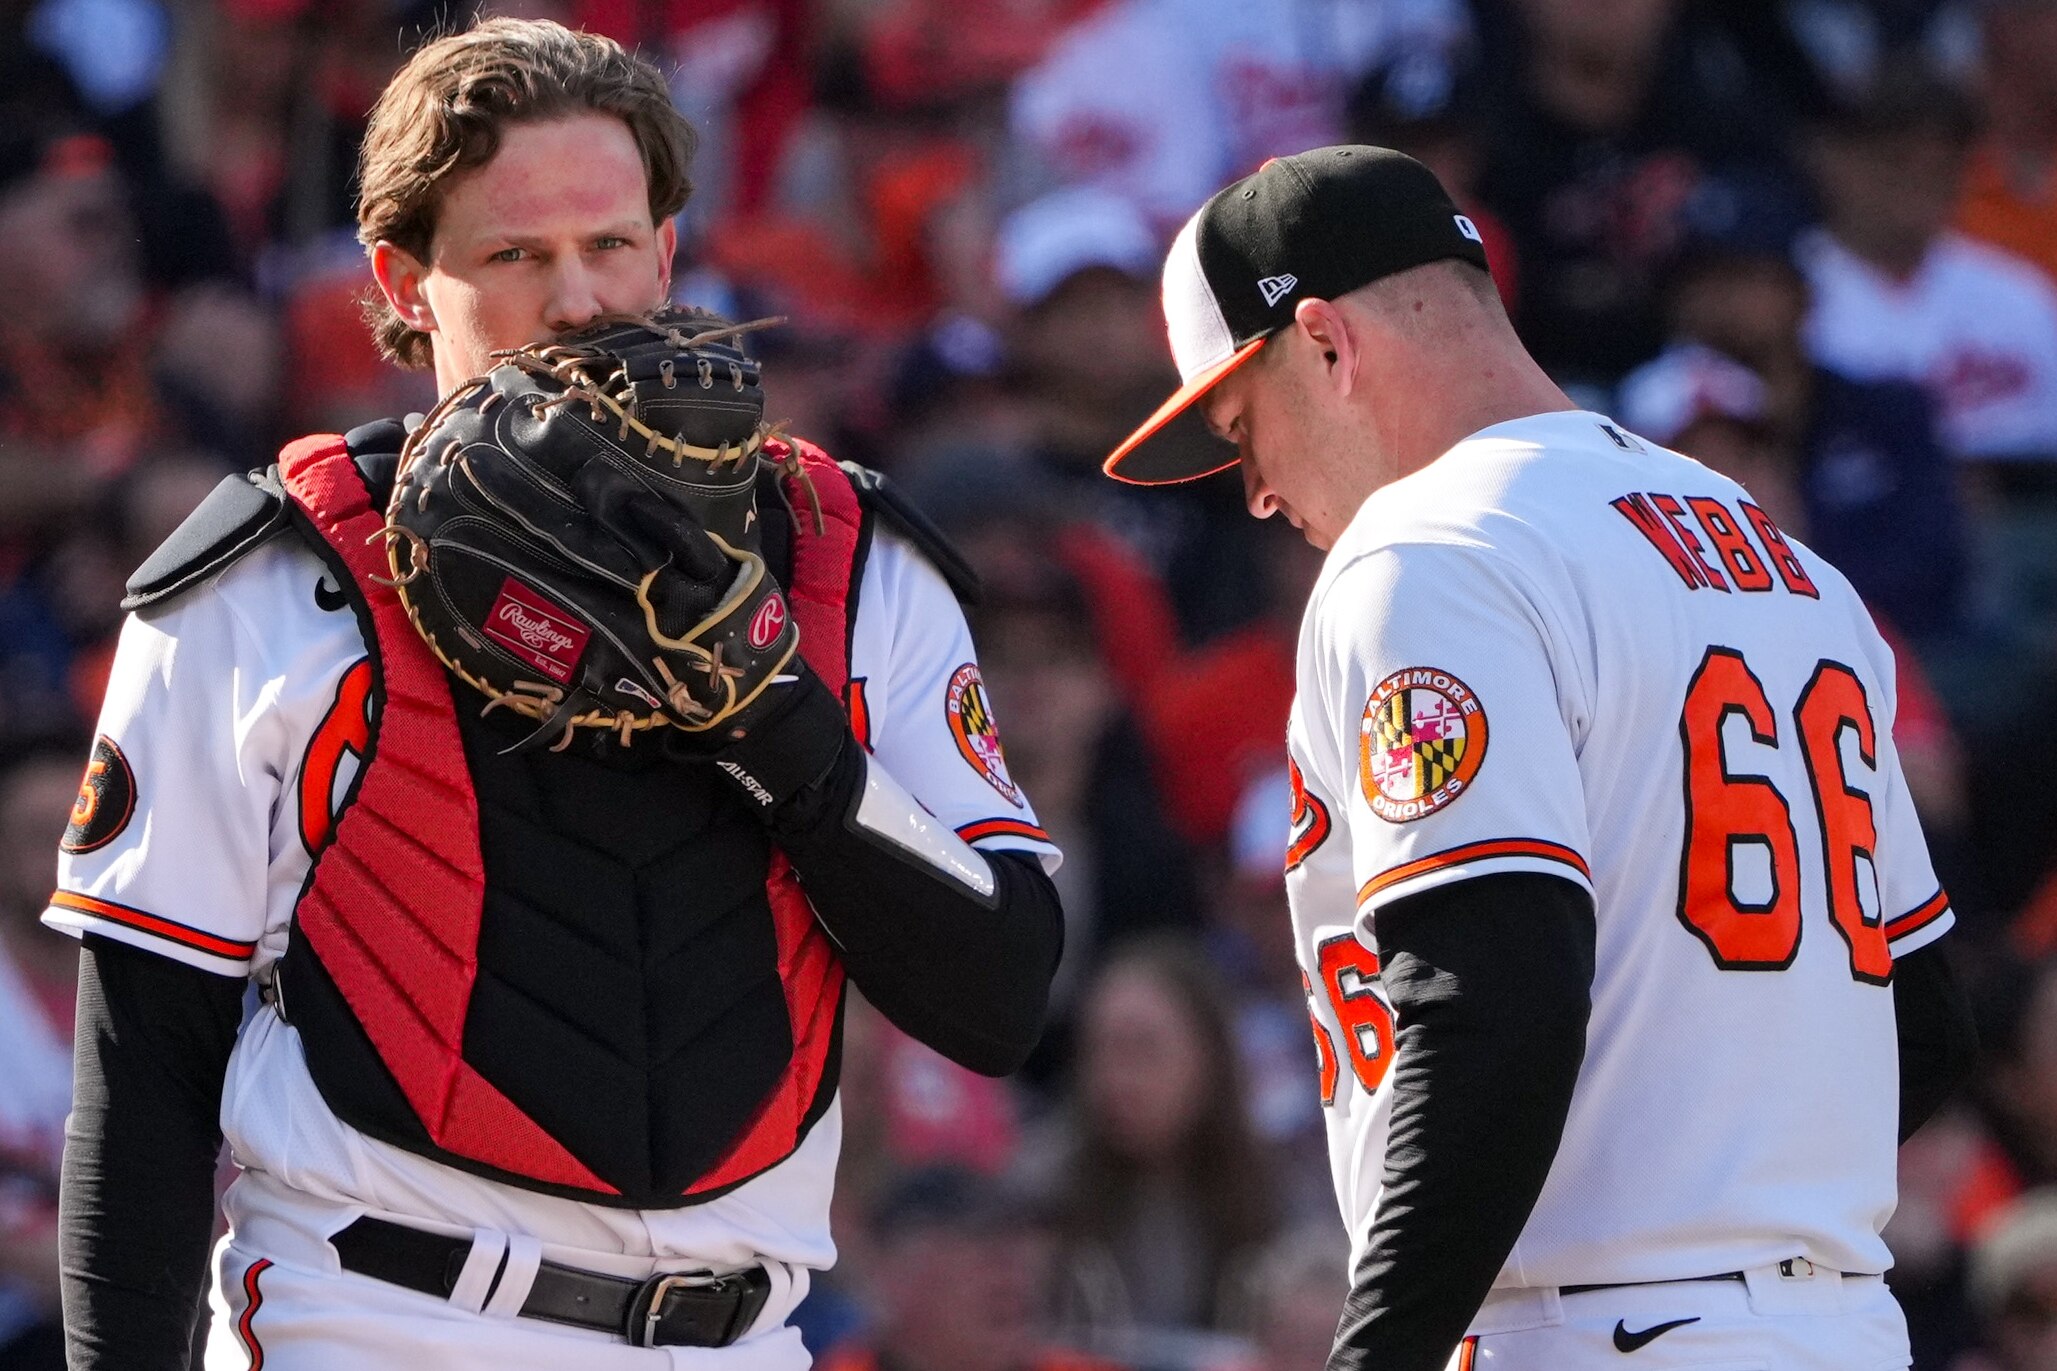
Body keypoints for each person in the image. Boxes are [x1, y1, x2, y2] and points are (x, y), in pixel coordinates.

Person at [47, 18, 1065, 1371]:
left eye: (609, 245)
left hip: (738, 1331)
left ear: (668, 247)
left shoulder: (844, 563)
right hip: (374, 1316)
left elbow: (997, 995)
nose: (579, 299)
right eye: (516, 256)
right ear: (402, 279)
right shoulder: (275, 576)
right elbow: (146, 1075)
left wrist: (777, 720)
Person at [1101, 144, 1979, 1369]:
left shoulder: (1426, 553)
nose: (1250, 491)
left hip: (1594, 1328)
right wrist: (1723, 1170)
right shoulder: (1779, 560)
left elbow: (1489, 1006)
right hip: (1831, 1325)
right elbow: (1924, 1025)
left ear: (1323, 345)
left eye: (1240, 428)